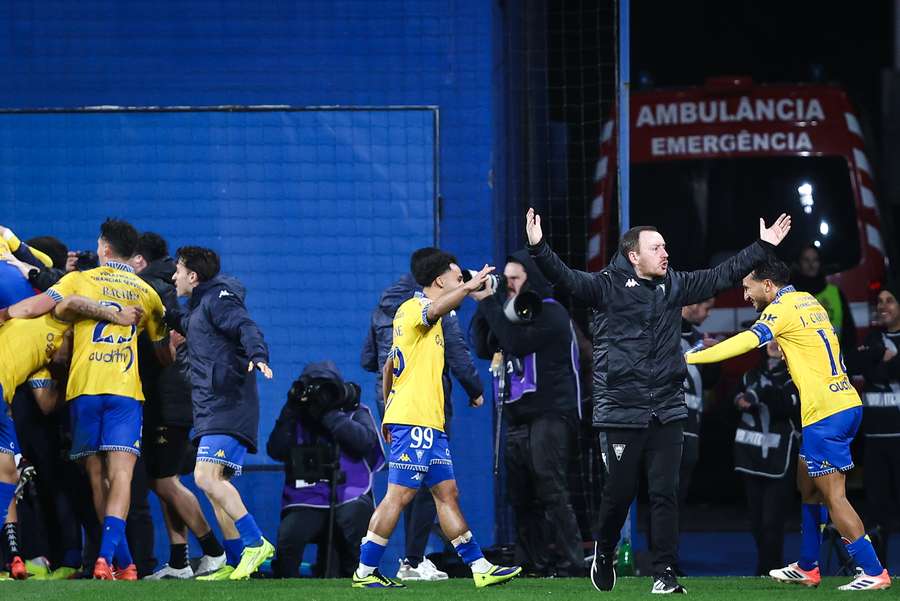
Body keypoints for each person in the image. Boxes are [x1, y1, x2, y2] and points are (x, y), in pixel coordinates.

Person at [525, 207, 792, 594]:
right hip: (620, 410)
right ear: (634, 256)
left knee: (665, 492)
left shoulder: (676, 285)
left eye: (665, 247)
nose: (665, 253)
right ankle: (604, 550)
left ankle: (665, 573)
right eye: (656, 248)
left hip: (667, 408)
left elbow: (722, 276)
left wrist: (762, 246)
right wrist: (539, 248)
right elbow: (565, 279)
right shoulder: (605, 286)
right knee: (619, 494)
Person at [686, 256, 891, 591]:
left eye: (747, 287)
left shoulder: (780, 309)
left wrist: (690, 356)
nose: (745, 295)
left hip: (826, 413)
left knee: (834, 496)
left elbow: (747, 342)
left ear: (768, 285)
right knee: (806, 484)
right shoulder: (807, 300)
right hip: (842, 403)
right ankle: (809, 566)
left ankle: (873, 570)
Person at [9, 218, 171, 580]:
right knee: (122, 476)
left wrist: (7, 314)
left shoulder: (79, 279)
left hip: (83, 390)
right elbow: (163, 354)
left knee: (96, 476)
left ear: (104, 249)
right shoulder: (146, 292)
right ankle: (111, 558)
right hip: (125, 392)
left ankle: (119, 561)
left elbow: (38, 308)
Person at [351, 250, 520, 589]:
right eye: (458, 279)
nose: (462, 285)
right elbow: (438, 307)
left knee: (447, 493)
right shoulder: (415, 309)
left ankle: (479, 566)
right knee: (398, 496)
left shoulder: (429, 320)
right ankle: (365, 571)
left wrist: (388, 409)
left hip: (428, 422)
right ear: (440, 280)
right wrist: (472, 286)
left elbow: (387, 366)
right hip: (415, 422)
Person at [0, 294, 143, 578]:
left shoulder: (39, 359)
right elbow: (48, 303)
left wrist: (62, 375)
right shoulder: (42, 320)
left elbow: (46, 403)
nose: (74, 355)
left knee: (8, 476)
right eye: (75, 347)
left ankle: (14, 559)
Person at [470, 250, 583, 577]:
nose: (508, 285)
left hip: (551, 411)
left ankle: (572, 563)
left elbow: (515, 341)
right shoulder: (504, 313)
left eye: (514, 279)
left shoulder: (551, 312)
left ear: (531, 279)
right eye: (505, 280)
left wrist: (491, 302)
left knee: (551, 488)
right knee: (520, 494)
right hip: (517, 414)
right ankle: (533, 562)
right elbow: (482, 345)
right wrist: (482, 299)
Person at [169, 246, 274, 581]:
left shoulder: (219, 299)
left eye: (178, 270)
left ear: (193, 276)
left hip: (228, 404)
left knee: (205, 477)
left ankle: (255, 542)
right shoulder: (199, 308)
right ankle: (234, 559)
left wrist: (258, 354)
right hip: (210, 407)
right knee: (217, 485)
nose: (174, 276)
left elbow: (245, 326)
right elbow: (185, 322)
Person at [130, 233, 226, 579]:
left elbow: (169, 349)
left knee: (164, 481)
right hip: (174, 396)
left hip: (168, 398)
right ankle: (179, 561)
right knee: (164, 479)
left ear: (138, 260)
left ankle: (214, 551)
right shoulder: (174, 288)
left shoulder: (148, 287)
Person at [267, 361, 384, 578]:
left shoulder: (355, 412)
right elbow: (276, 449)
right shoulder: (296, 415)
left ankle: (361, 580)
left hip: (351, 495)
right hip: (306, 497)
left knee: (354, 519)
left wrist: (329, 415)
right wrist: (291, 411)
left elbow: (365, 443)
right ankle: (284, 586)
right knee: (290, 537)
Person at [733, 341, 800, 576]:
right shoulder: (750, 374)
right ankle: (765, 568)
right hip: (750, 458)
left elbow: (785, 406)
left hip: (780, 458)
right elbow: (735, 398)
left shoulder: (795, 377)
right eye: (770, 338)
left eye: (780, 338)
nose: (773, 343)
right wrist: (739, 399)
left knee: (773, 520)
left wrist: (758, 393)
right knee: (756, 521)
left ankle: (771, 568)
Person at [846, 282, 900, 567]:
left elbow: (879, 370)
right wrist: (880, 359)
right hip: (875, 439)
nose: (883, 306)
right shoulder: (872, 339)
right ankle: (878, 572)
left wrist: (879, 367)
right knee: (877, 512)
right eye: (880, 302)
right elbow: (852, 363)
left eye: (889, 300)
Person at [793, 244, 856, 351]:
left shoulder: (835, 293)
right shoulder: (790, 296)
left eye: (815, 260)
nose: (811, 264)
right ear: (799, 263)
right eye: (806, 260)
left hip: (833, 359)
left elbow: (849, 332)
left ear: (820, 263)